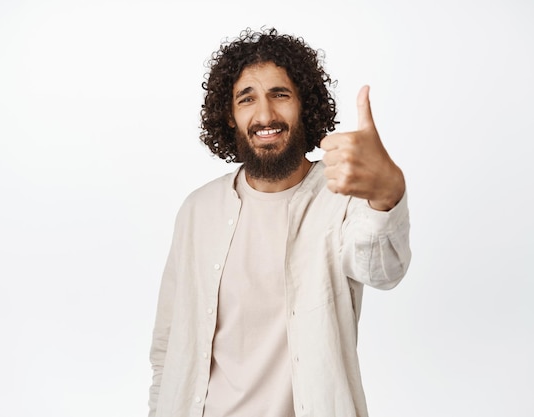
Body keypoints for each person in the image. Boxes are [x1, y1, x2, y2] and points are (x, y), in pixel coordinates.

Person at [148, 27, 411, 417]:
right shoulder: (197, 210)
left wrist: (386, 193)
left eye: (280, 94)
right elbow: (168, 347)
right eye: (247, 99)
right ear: (230, 115)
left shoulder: (339, 194)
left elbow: (383, 269)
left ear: (305, 104)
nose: (265, 115)